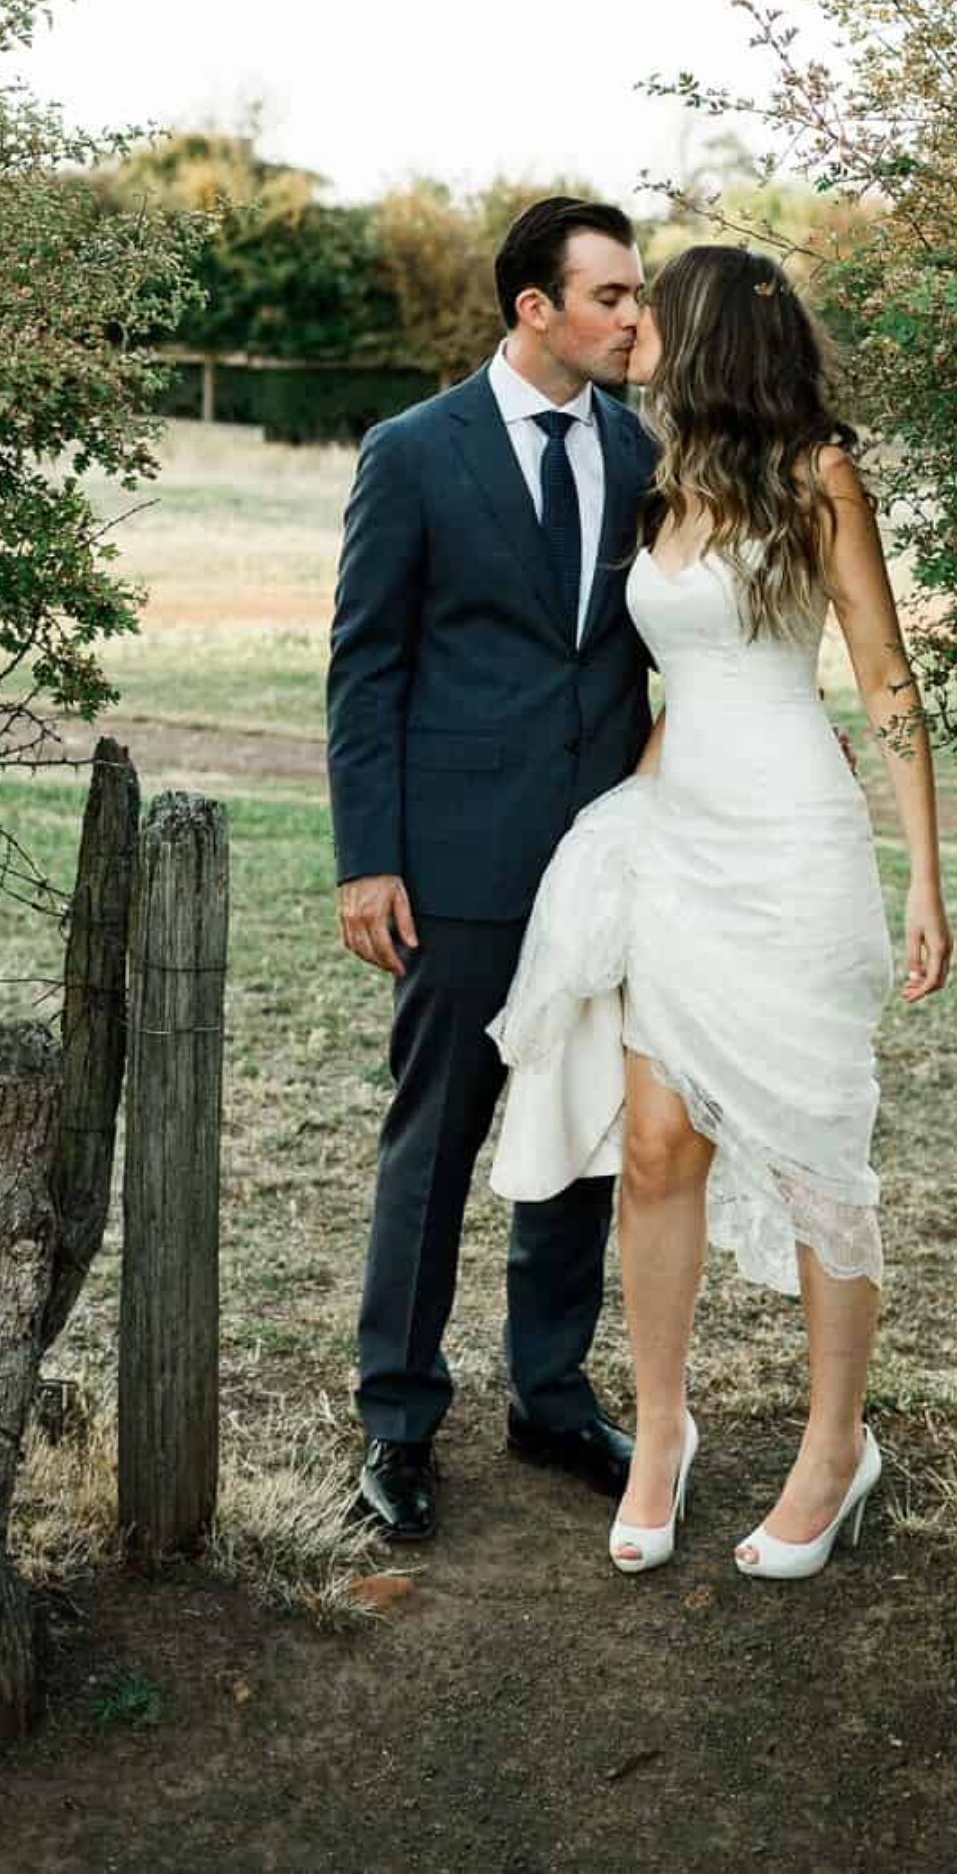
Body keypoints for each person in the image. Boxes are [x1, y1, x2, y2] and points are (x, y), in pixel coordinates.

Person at [489, 243, 952, 1579]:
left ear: (702, 338)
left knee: (815, 1156)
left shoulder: (817, 476)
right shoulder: (663, 480)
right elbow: (680, 684)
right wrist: (621, 821)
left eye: (650, 310)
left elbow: (883, 677)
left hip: (793, 844)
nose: (629, 326)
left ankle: (833, 1447)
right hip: (680, 836)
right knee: (654, 1148)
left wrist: (922, 874)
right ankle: (661, 1428)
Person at [326, 196, 655, 1542]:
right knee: (438, 1141)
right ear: (537, 310)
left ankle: (551, 1392)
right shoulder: (414, 452)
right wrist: (367, 863)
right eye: (613, 297)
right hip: (456, 862)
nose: (636, 317)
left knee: (580, 1134)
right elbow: (367, 664)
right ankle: (399, 1420)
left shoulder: (641, 451)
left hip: (605, 861)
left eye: (638, 296)